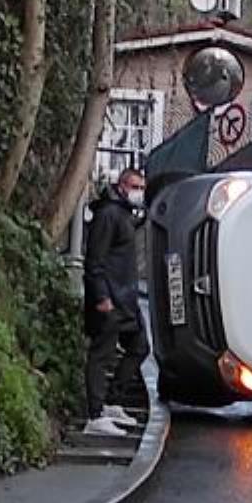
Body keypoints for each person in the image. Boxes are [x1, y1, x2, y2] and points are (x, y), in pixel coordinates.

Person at [83, 167, 150, 437]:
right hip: (110, 299)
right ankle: (95, 413)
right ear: (122, 186)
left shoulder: (123, 214)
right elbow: (95, 260)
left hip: (126, 299)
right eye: (135, 187)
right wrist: (102, 296)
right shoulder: (109, 214)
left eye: (141, 188)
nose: (139, 193)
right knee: (102, 354)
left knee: (139, 346)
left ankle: (112, 401)